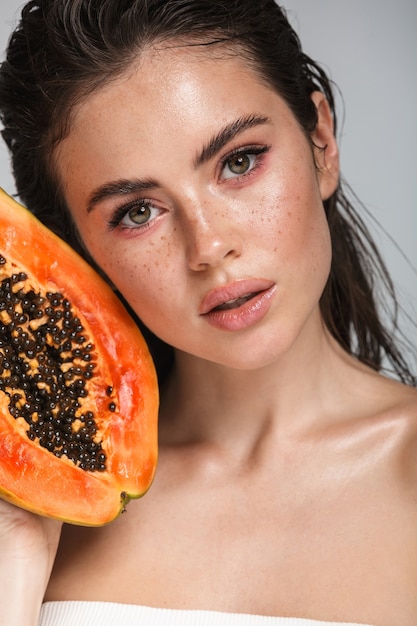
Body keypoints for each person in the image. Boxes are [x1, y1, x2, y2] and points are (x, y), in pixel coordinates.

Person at [0, 1, 416, 624]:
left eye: (239, 161)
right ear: (75, 257)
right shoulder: (41, 508)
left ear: (321, 142)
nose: (210, 245)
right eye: (137, 212)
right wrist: (17, 552)